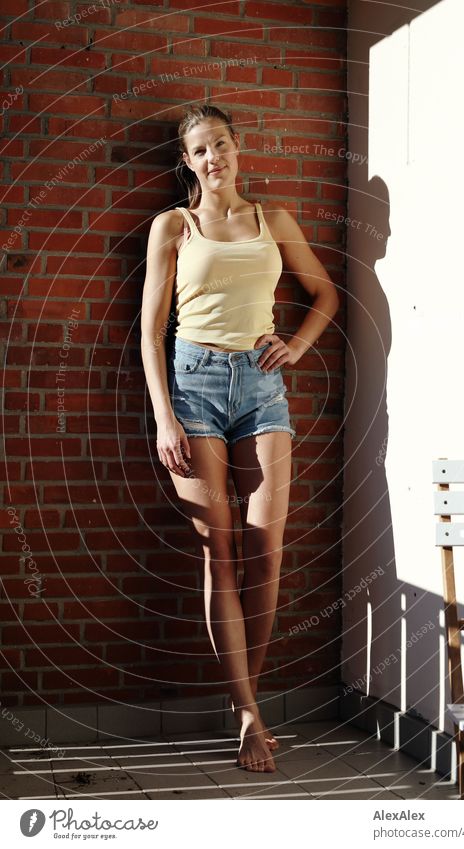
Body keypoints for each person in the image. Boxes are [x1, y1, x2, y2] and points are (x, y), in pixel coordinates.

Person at [140, 104, 339, 773]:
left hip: (260, 388)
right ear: (188, 161)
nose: (212, 158)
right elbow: (149, 330)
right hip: (192, 384)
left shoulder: (271, 220)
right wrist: (165, 416)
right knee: (219, 554)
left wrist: (298, 344)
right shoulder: (174, 225)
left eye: (219, 144)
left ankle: (243, 697)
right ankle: (250, 712)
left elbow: (324, 293)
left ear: (236, 148)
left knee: (267, 549)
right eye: (199, 151)